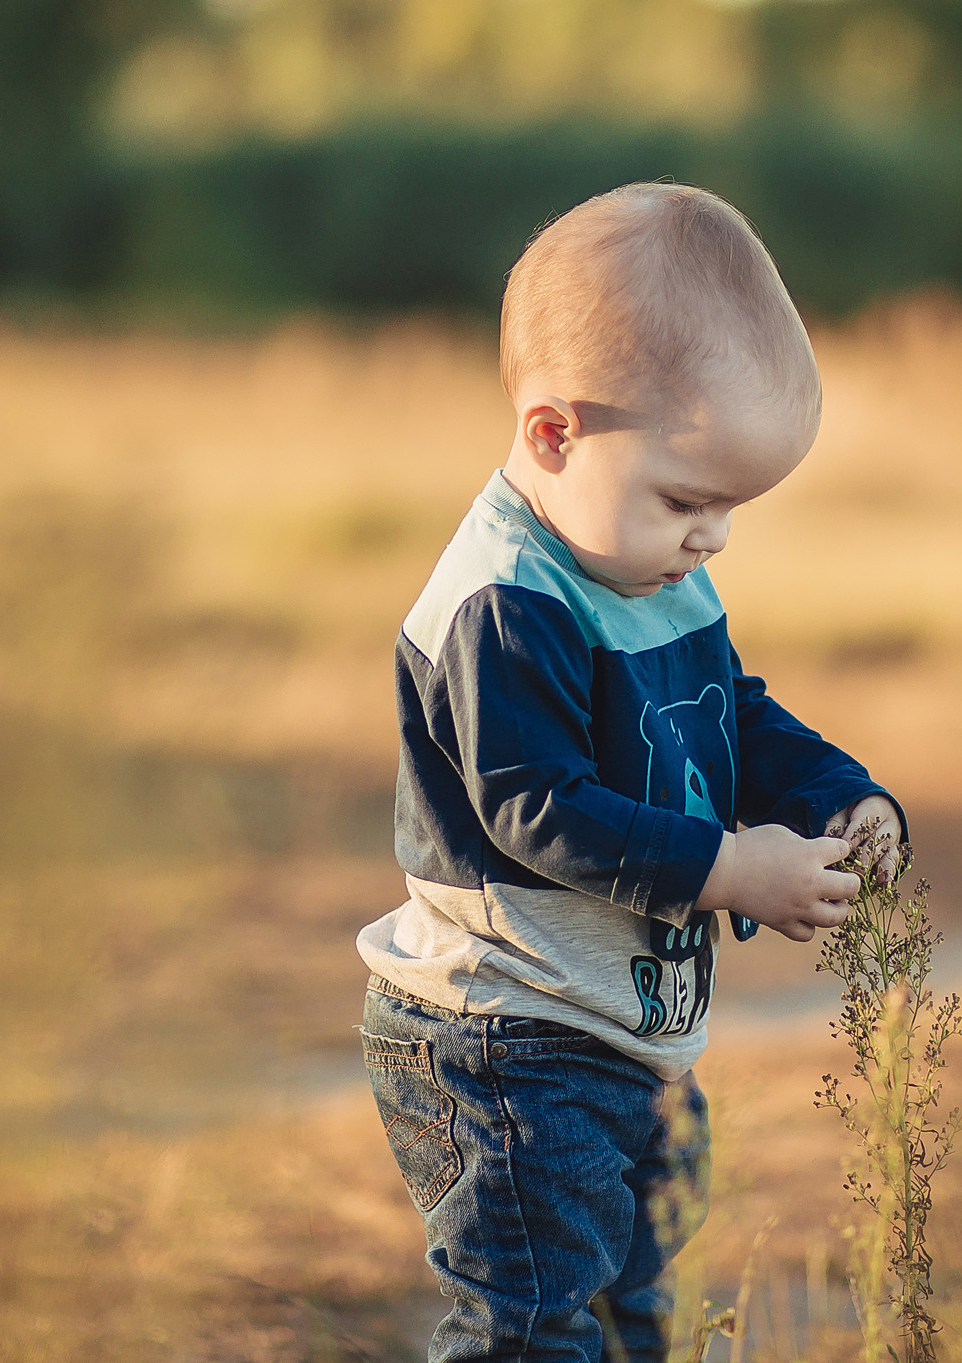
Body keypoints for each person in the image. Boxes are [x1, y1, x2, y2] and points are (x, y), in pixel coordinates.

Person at [356, 181, 903, 1363]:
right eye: (687, 500)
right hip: (506, 1039)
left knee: (629, 1317)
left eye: (727, 510)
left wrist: (838, 799)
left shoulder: (647, 564)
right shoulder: (504, 603)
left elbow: (727, 717)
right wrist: (723, 869)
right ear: (555, 434)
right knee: (536, 1329)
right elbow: (533, 811)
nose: (711, 540)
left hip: (624, 1036)